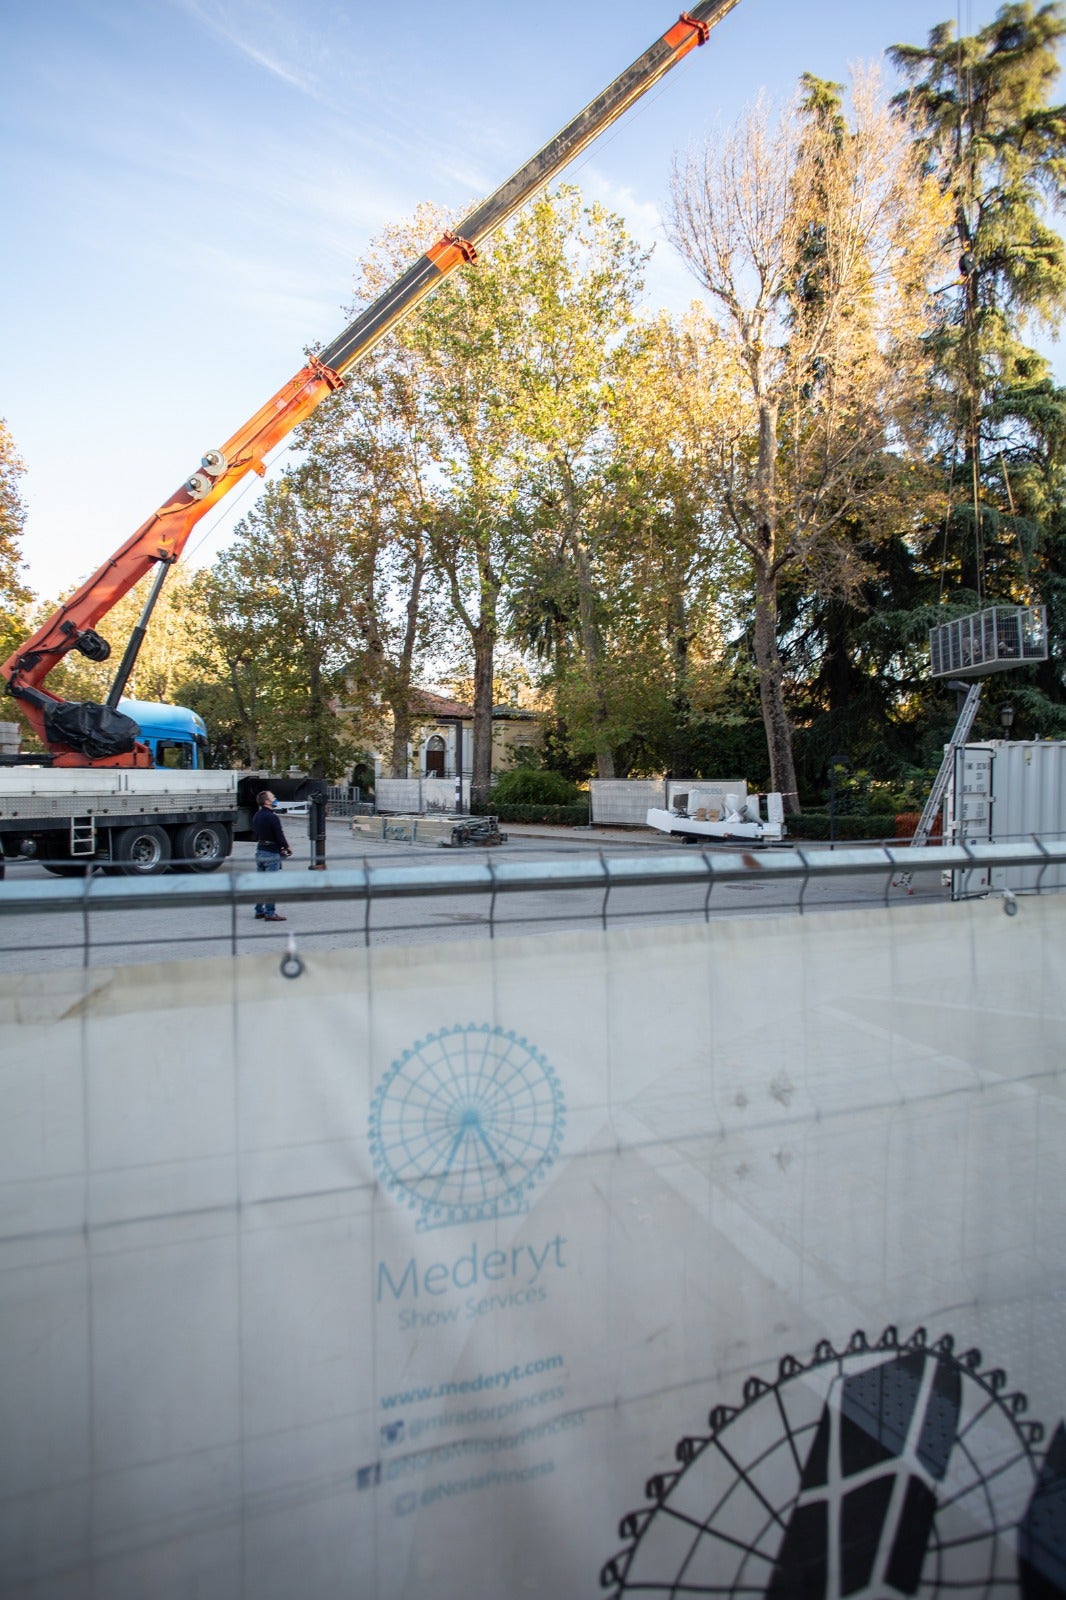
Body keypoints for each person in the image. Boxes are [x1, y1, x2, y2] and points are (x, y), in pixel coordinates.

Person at [252, 790, 292, 921]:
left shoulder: (257, 815)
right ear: (267, 802)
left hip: (260, 851)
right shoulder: (273, 817)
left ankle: (259, 910)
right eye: (273, 797)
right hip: (271, 852)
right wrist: (287, 847)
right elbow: (279, 835)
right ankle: (270, 913)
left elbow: (256, 834)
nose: (275, 799)